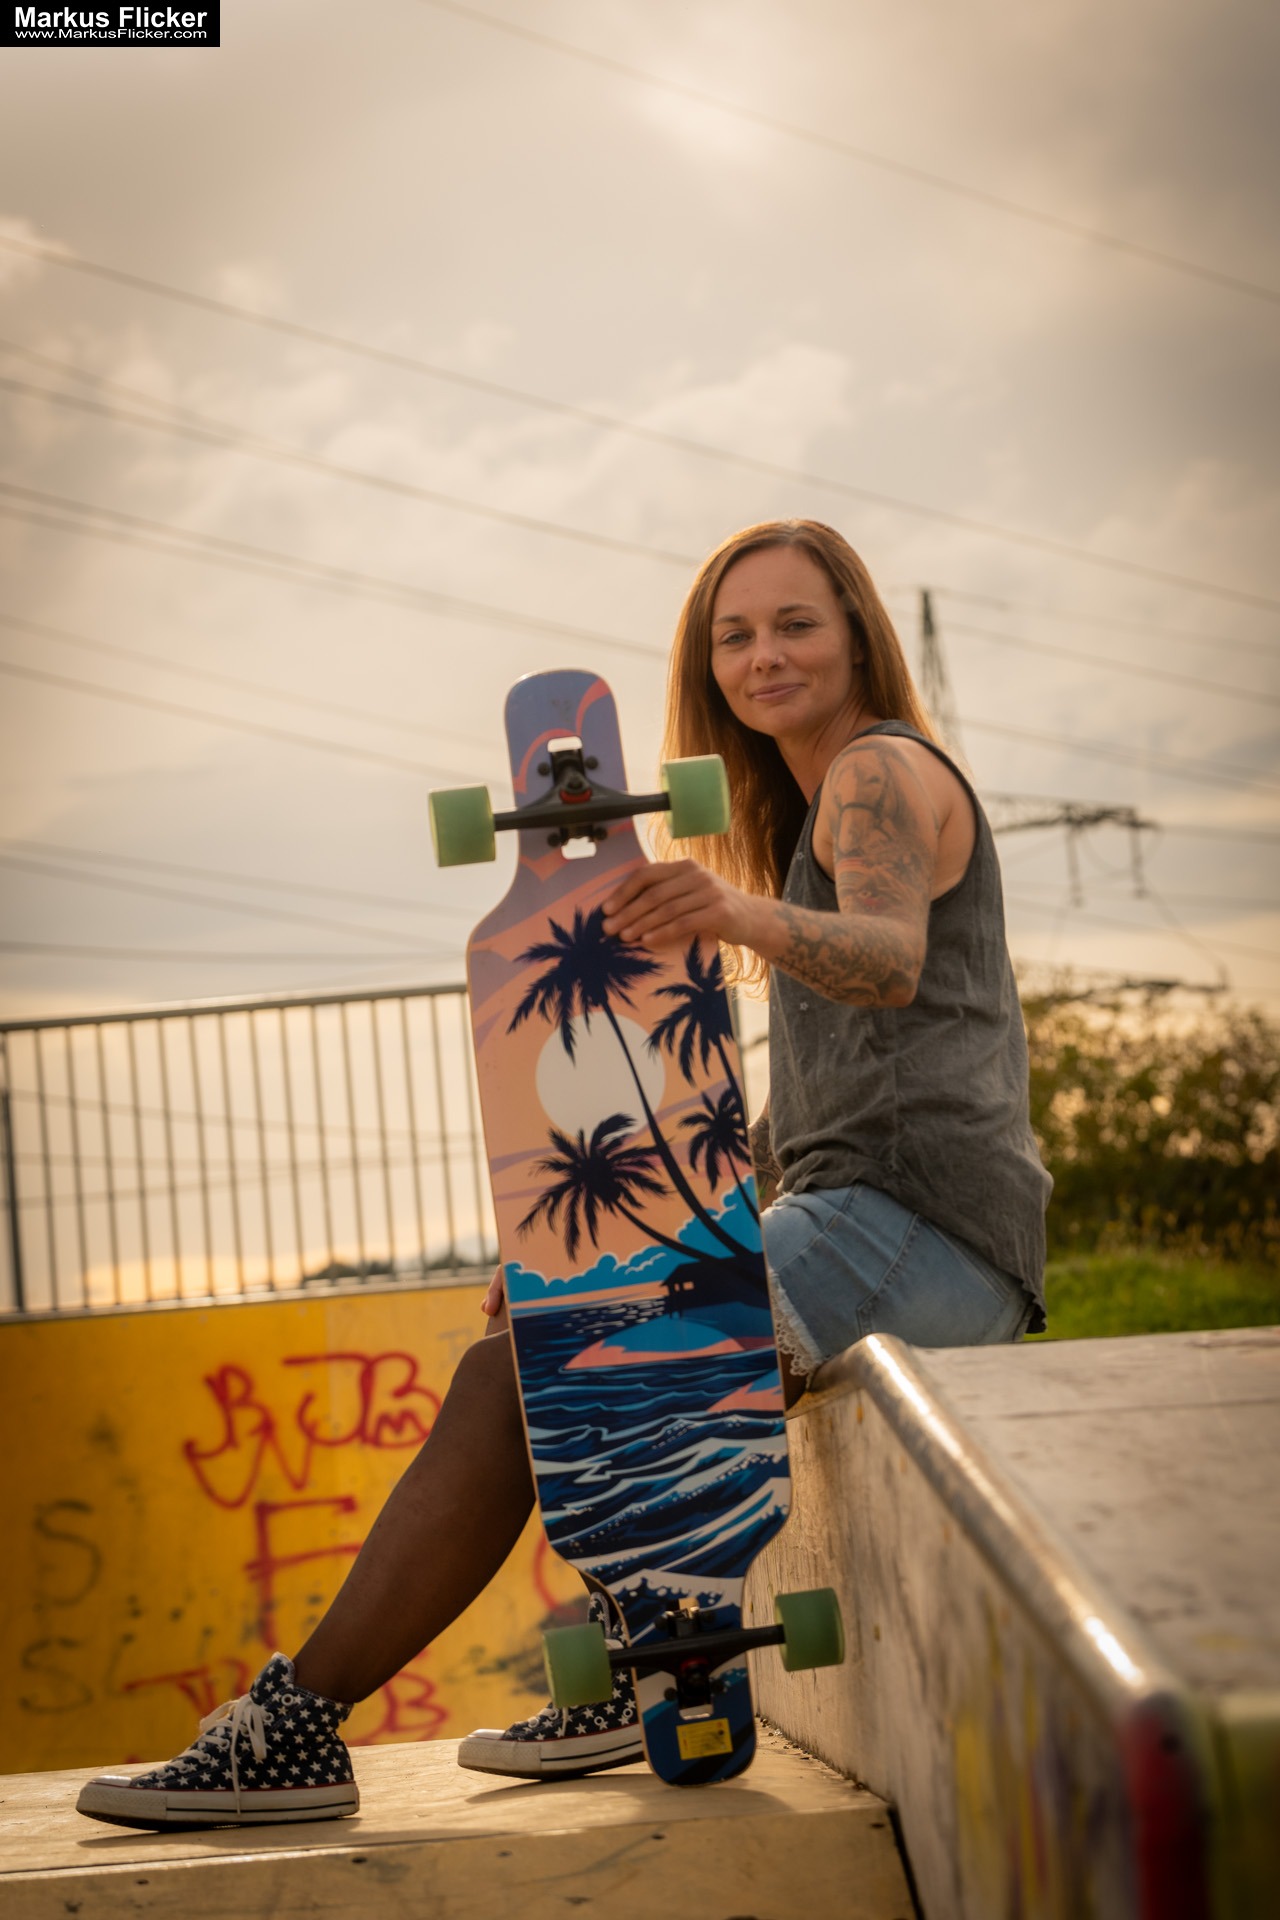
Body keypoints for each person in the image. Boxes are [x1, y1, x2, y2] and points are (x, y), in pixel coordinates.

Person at [75, 519, 1050, 1830]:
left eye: (796, 625)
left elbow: (889, 959)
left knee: (528, 1377)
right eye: (735, 636)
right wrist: (570, 1252)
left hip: (920, 1236)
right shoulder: (819, 807)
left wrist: (735, 915)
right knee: (541, 1345)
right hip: (871, 1226)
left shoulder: (878, 771)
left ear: (859, 637)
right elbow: (799, 1120)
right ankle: (644, 1672)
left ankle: (299, 1725)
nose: (764, 656)